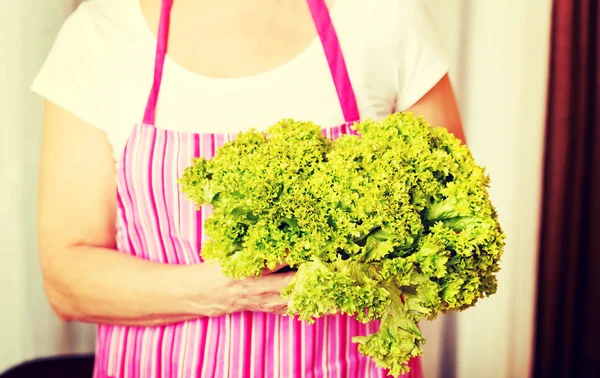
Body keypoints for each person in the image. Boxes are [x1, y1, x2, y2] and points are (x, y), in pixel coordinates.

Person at [31, 0, 465, 376]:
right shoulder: (98, 36)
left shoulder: (382, 18)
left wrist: (352, 268)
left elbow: (455, 229)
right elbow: (68, 282)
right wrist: (228, 290)